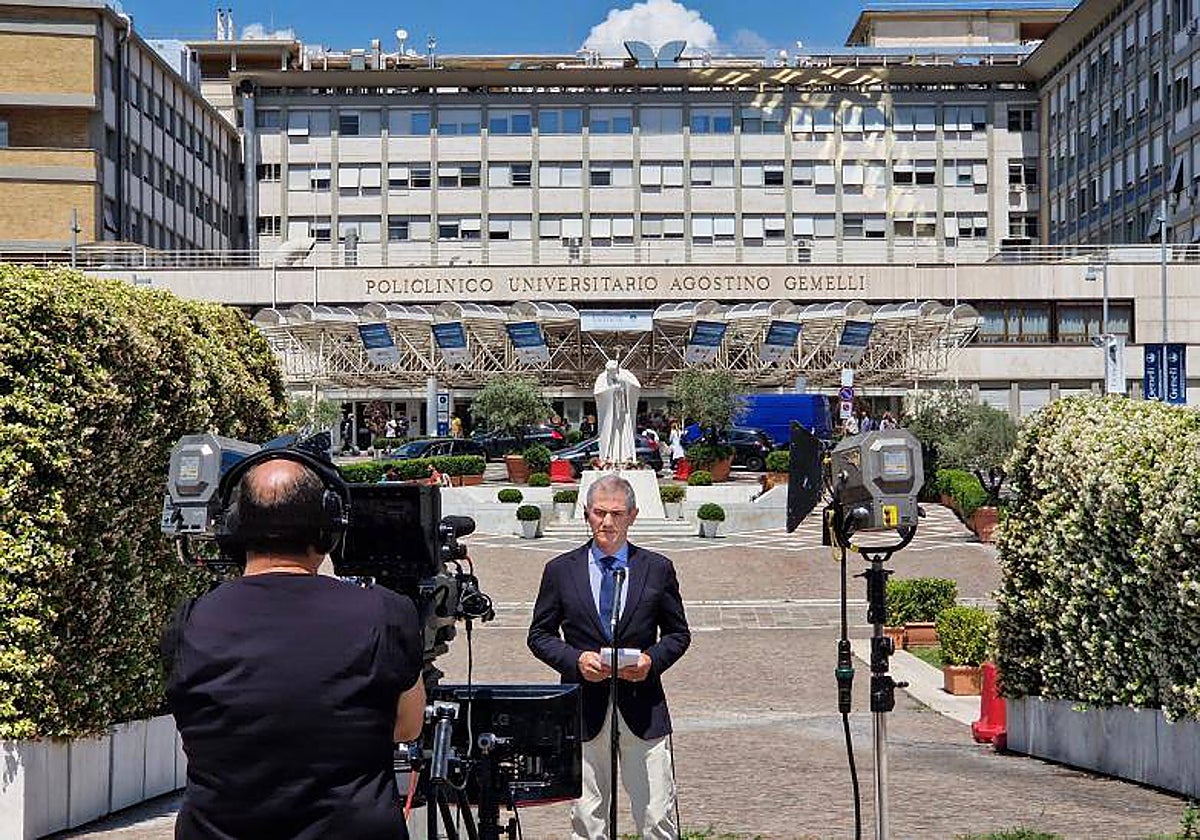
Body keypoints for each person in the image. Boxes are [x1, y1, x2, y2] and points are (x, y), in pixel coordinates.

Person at [163, 456, 426, 840]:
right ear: (329, 528)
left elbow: (197, 729)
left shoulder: (189, 621)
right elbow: (406, 726)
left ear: (232, 527)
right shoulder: (385, 613)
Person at [527, 474, 691, 840]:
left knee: (657, 813)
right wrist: (574, 661)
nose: (608, 522)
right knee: (587, 816)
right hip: (584, 708)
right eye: (599, 513)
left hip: (643, 707)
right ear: (586, 514)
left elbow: (679, 634)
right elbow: (539, 635)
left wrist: (651, 661)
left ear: (633, 515)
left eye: (617, 513)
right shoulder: (560, 570)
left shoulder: (657, 568)